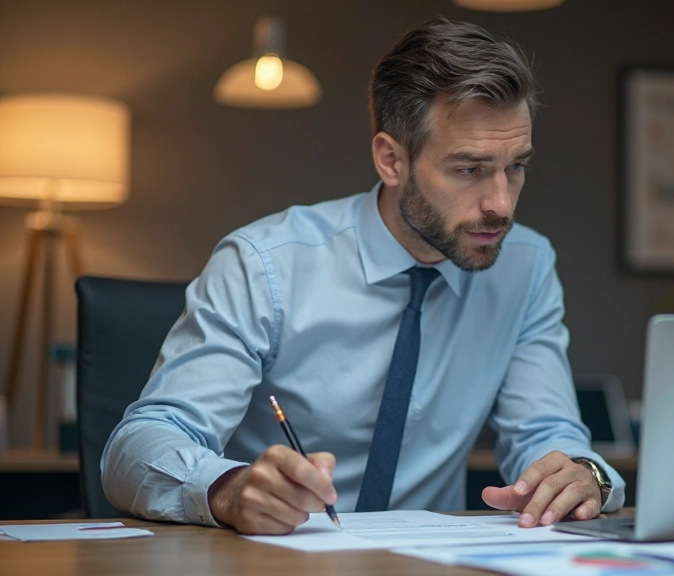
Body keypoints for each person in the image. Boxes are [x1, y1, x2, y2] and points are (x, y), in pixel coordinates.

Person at [101, 16, 625, 535]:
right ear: (391, 160)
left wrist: (583, 475)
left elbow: (547, 433)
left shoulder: (525, 267)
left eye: (516, 166)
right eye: (469, 169)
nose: (502, 204)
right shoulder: (264, 264)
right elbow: (136, 447)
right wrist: (228, 488)